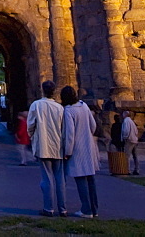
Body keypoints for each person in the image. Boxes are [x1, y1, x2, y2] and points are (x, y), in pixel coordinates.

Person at [28, 80, 66, 217]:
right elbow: (64, 128)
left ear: (42, 90)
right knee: (60, 179)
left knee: (46, 178)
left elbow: (30, 125)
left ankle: (48, 208)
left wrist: (32, 137)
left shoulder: (36, 105)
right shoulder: (60, 107)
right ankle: (63, 209)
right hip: (58, 147)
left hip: (43, 146)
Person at [61, 86, 99, 218]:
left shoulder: (68, 111)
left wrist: (68, 151)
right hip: (88, 146)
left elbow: (70, 134)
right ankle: (94, 209)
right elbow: (93, 125)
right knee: (90, 178)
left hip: (77, 148)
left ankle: (86, 210)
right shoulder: (84, 106)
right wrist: (87, 135)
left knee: (80, 179)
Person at [121, 110, 140, 175]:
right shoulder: (132, 121)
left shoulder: (126, 121)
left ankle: (127, 170)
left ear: (125, 115)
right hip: (134, 140)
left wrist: (125, 137)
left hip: (129, 140)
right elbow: (136, 131)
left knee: (127, 156)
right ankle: (137, 169)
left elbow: (126, 130)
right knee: (135, 156)